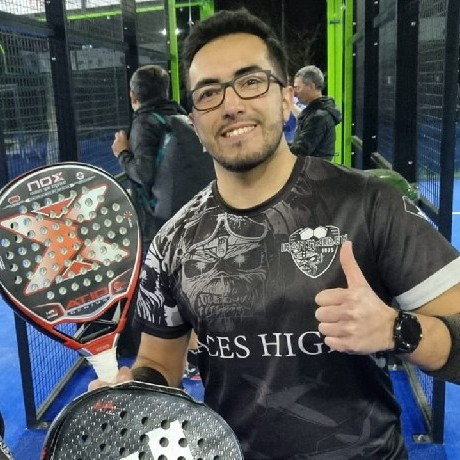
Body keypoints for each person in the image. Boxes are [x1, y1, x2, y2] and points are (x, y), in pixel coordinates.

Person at [92, 9, 460, 459]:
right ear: (195, 121)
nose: (230, 104)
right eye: (208, 93)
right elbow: (158, 364)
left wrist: (397, 329)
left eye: (250, 81)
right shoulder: (173, 242)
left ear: (286, 99)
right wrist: (134, 390)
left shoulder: (369, 204)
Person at [291, 65, 342, 160]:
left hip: (313, 169)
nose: (295, 93)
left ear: (311, 86)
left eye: (297, 88)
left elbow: (300, 151)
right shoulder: (318, 112)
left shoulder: (318, 117)